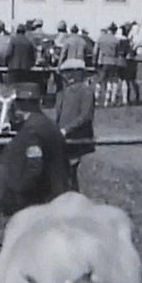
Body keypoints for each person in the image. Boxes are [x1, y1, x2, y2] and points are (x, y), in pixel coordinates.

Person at [0, 86, 70, 217]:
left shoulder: (31, 131)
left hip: (42, 199)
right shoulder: (48, 124)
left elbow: (34, 166)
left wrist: (19, 191)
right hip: (57, 191)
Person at [55, 62, 98, 192]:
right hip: (62, 139)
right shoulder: (63, 92)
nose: (66, 76)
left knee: (72, 173)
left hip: (78, 138)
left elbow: (85, 116)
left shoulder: (86, 92)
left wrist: (66, 130)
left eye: (69, 72)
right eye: (65, 73)